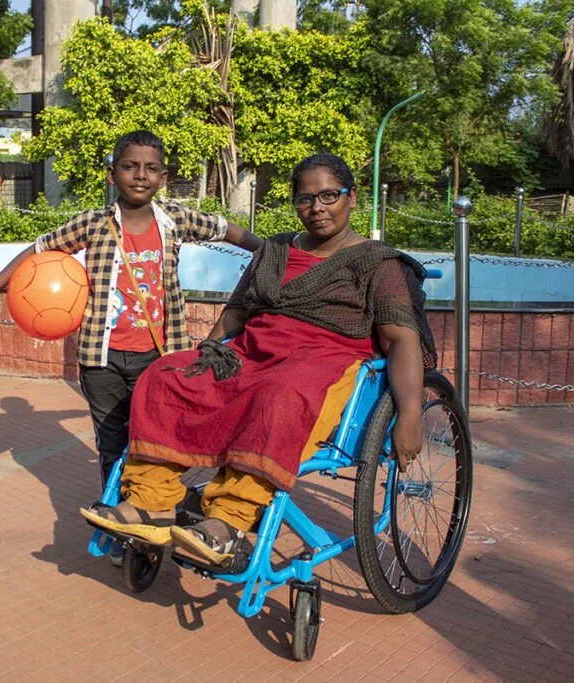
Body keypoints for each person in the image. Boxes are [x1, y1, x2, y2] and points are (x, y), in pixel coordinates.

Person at [80, 152, 437, 569]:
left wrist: (410, 415)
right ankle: (150, 501)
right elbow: (236, 313)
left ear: (352, 198)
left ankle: (227, 521)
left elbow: (401, 339)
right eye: (305, 199)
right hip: (252, 351)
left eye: (329, 196)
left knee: (279, 393)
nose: (317, 208)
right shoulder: (275, 251)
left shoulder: (379, 262)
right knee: (166, 374)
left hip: (322, 360)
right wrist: (206, 353)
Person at [0, 129, 261, 497]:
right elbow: (40, 247)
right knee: (112, 442)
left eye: (150, 168)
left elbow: (228, 230)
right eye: (130, 166)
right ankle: (118, 515)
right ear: (112, 174)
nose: (140, 175)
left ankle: (148, 509)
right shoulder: (92, 224)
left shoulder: (175, 219)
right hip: (102, 359)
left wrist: (274, 256)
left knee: (156, 440)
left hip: (160, 356)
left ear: (163, 177)